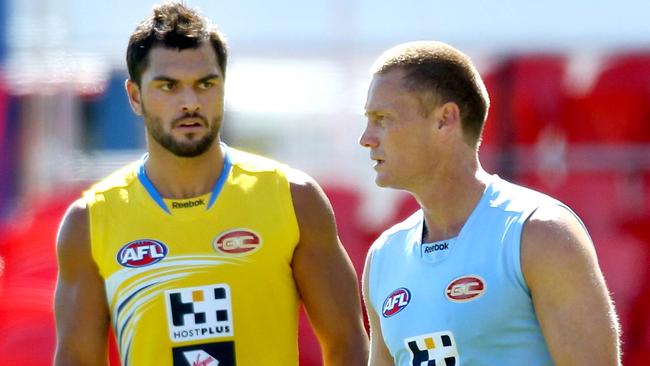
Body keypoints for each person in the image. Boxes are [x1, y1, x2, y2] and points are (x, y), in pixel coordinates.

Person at [53, 3, 368, 365]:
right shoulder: (90, 222)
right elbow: (77, 359)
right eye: (168, 87)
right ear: (135, 96)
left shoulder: (293, 199)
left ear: (223, 87)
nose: (190, 102)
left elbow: (347, 343)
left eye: (205, 84)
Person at [359, 41, 620, 366]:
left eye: (383, 118)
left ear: (444, 120)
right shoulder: (384, 256)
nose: (366, 137)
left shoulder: (540, 233)